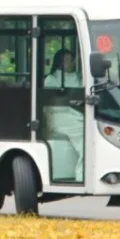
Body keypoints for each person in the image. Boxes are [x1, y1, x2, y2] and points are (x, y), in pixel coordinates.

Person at [42, 48, 84, 182]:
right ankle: (81, 174)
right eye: (68, 60)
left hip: (76, 114)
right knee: (85, 137)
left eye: (72, 60)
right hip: (59, 115)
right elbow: (53, 101)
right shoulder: (52, 79)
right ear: (60, 62)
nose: (72, 62)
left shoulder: (79, 76)